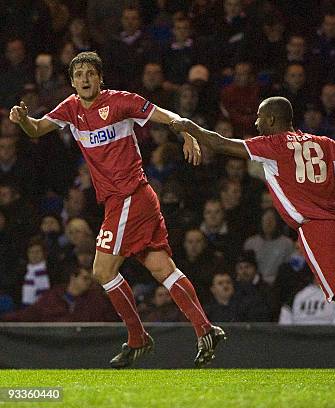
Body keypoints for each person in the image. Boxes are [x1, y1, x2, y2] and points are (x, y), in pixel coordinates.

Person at [170, 96, 335, 372]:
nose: (256, 123)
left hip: (316, 229)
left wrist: (189, 127)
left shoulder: (273, 145)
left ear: (271, 119)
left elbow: (220, 143)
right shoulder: (323, 142)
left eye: (259, 117)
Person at [9, 51, 225, 369]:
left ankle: (138, 339)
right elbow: (38, 129)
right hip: (127, 199)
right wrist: (23, 119)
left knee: (102, 271)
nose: (84, 78)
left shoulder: (120, 101)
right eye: (78, 74)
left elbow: (162, 114)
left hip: (130, 196)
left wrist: (185, 130)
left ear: (100, 78)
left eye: (90, 73)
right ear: (72, 81)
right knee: (162, 268)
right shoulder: (70, 108)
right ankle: (205, 329)